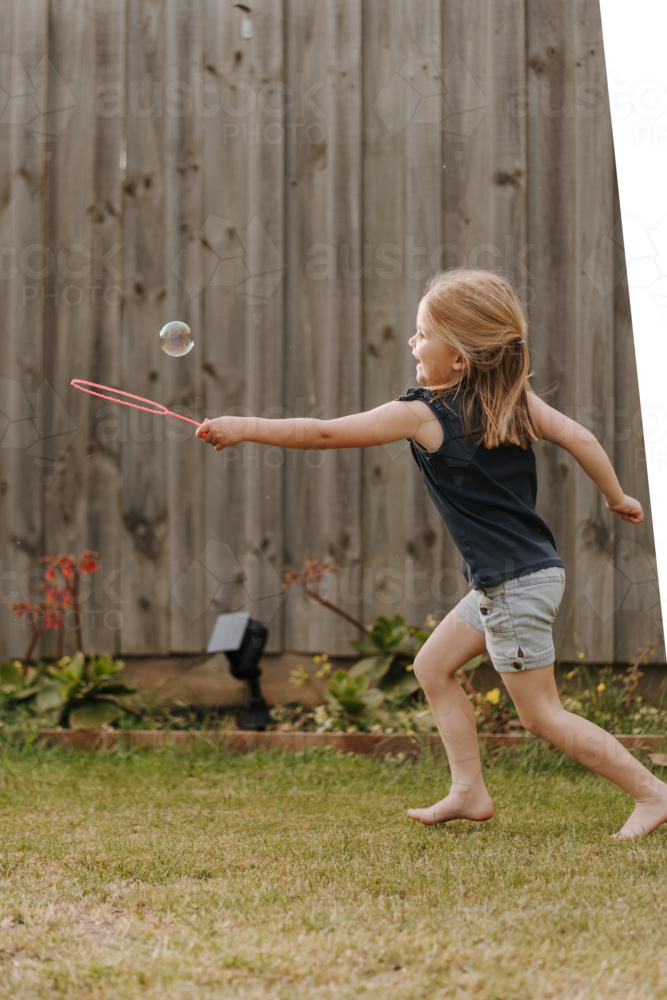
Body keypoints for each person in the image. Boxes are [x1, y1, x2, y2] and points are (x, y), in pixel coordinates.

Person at [196, 266, 667, 840]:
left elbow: (321, 433)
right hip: (520, 577)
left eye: (424, 334)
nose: (413, 342)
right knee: (432, 666)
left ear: (461, 358)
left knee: (541, 715)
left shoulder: (424, 416)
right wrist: (616, 496)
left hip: (513, 586)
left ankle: (652, 794)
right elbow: (582, 438)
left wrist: (244, 426)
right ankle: (468, 790)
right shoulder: (515, 401)